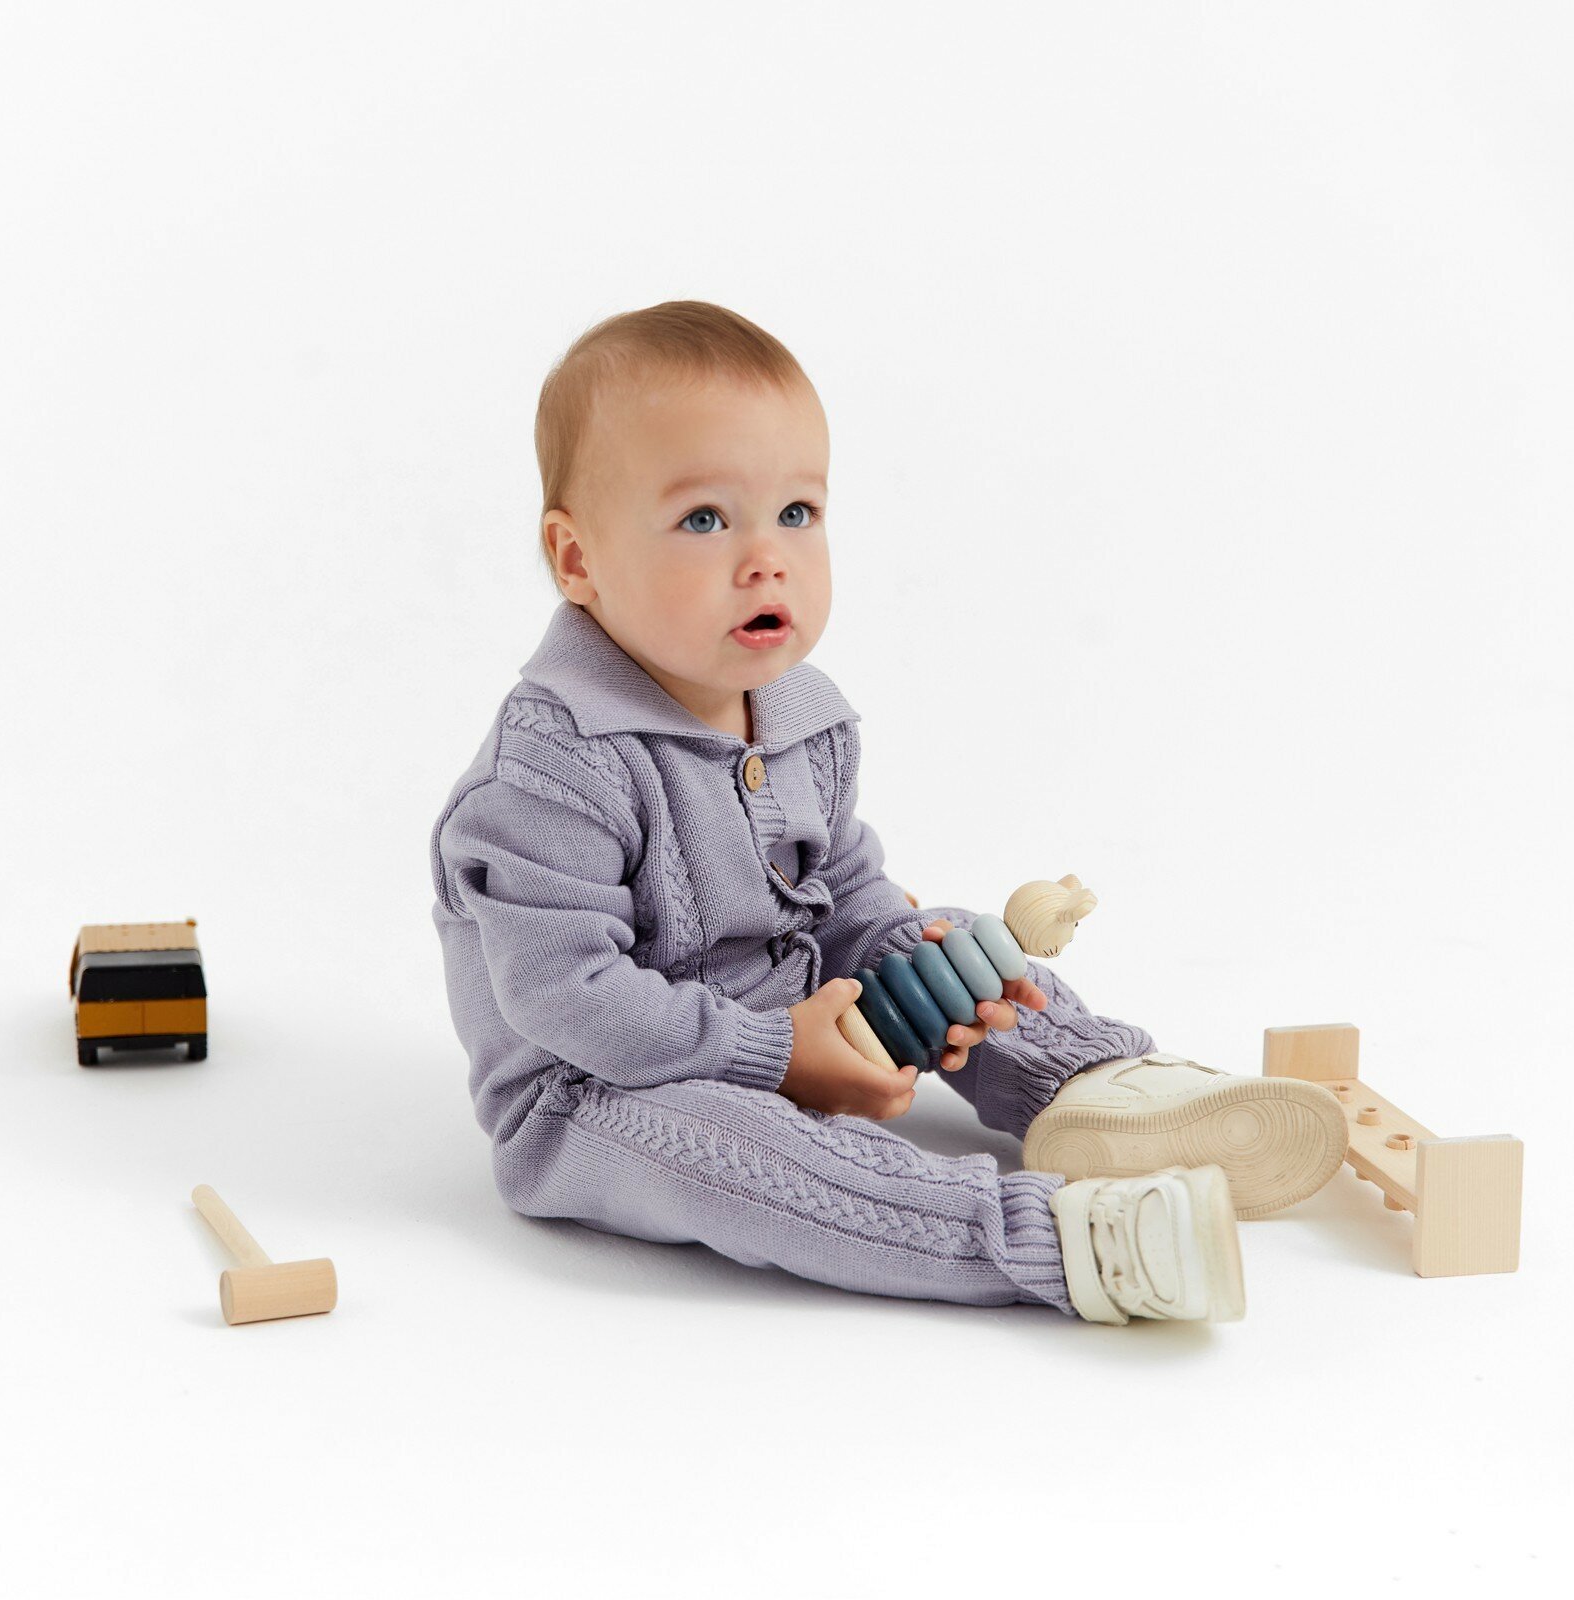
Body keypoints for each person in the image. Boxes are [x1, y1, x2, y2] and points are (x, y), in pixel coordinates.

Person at [428, 301, 1345, 1325]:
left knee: (933, 933)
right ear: (577, 560)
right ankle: (1065, 1241)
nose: (766, 558)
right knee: (750, 1158)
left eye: (796, 513)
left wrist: (932, 969)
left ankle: (1094, 1087)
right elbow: (568, 997)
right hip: (602, 1091)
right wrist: (778, 1057)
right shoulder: (553, 769)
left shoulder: (802, 716)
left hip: (795, 1013)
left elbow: (842, 894)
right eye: (704, 520)